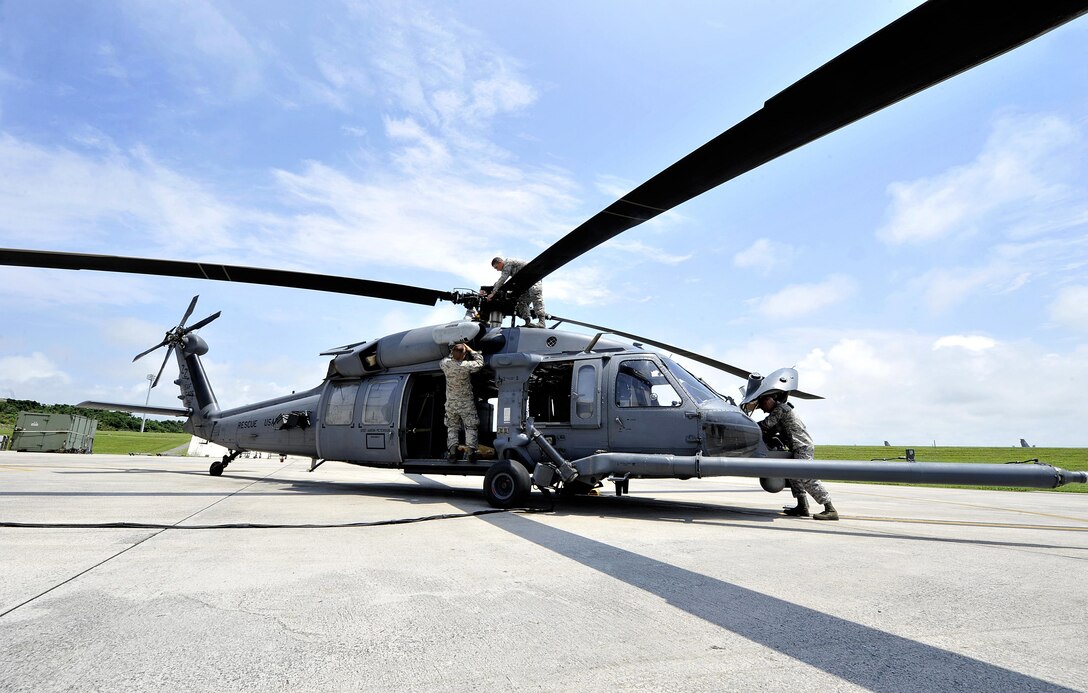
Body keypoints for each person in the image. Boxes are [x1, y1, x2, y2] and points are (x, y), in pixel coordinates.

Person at [756, 392, 839, 521]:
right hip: (797, 447)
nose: (763, 410)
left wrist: (749, 426)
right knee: (793, 476)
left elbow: (766, 424)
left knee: (807, 477)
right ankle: (802, 506)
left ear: (767, 401)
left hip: (802, 446)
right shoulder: (781, 409)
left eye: (762, 406)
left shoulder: (780, 409)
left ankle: (830, 509)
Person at [439, 341, 484, 461]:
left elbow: (447, 359)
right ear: (464, 355)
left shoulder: (445, 364)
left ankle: (452, 453)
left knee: (452, 427)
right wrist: (471, 350)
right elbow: (480, 363)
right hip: (466, 404)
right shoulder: (466, 366)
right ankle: (471, 452)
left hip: (451, 404)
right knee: (470, 427)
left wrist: (454, 349)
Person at [481, 257, 546, 327]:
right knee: (521, 301)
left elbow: (503, 279)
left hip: (533, 279)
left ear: (500, 263)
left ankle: (542, 322)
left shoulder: (508, 263)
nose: (497, 270)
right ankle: (527, 322)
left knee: (535, 294)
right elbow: (500, 281)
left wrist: (493, 293)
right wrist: (489, 290)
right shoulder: (507, 267)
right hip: (526, 285)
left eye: (496, 267)